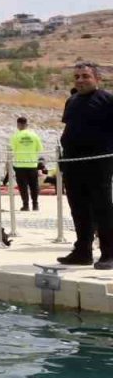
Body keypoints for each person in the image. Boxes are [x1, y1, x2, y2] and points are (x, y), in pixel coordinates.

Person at [57, 62, 113, 269]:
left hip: (98, 162)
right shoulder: (71, 101)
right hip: (72, 163)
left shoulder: (107, 100)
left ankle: (109, 253)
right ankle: (82, 251)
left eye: (85, 76)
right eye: (77, 77)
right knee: (78, 208)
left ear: (97, 79)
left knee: (102, 208)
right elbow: (70, 129)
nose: (80, 80)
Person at [10, 116, 44, 211]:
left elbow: (11, 150)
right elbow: (39, 149)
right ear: (27, 124)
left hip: (20, 165)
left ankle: (26, 205)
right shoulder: (34, 135)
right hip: (32, 164)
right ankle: (35, 205)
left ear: (18, 125)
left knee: (23, 187)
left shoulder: (15, 136)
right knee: (34, 186)